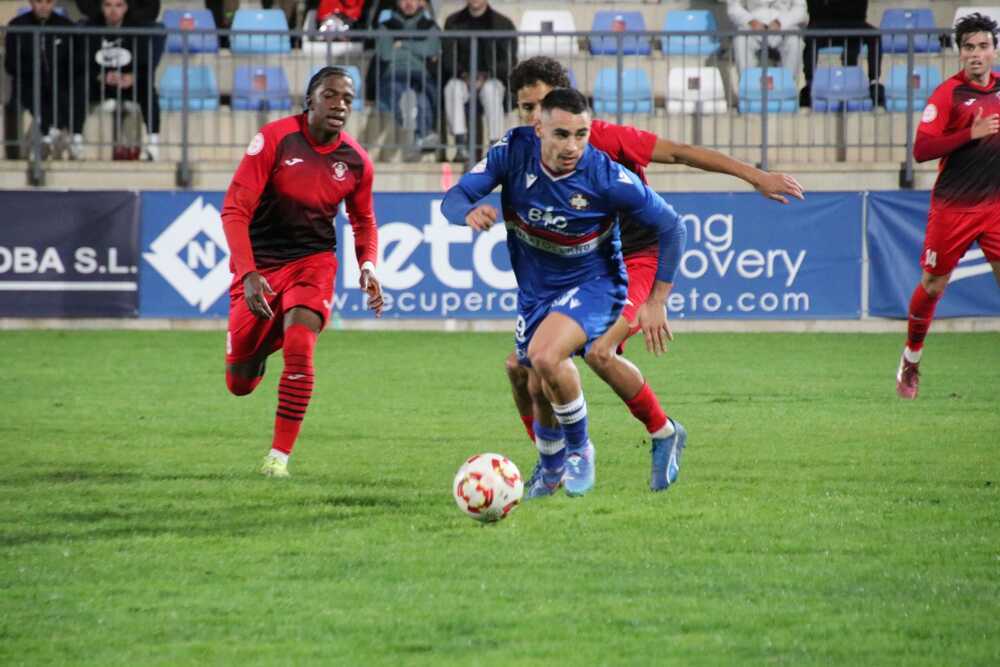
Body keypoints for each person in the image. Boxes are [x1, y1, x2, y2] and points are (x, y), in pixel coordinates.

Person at [505, 56, 804, 490]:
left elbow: (681, 153)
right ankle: (551, 463)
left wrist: (754, 176)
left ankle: (664, 432)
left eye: (540, 106)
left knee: (599, 353)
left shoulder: (607, 139)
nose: (533, 117)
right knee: (521, 368)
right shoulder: (522, 151)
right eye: (524, 108)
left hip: (633, 257)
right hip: (577, 269)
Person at [442, 88, 689, 498]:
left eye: (581, 134)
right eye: (561, 134)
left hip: (596, 283)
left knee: (547, 356)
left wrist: (657, 300)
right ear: (537, 127)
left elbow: (672, 226)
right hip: (537, 290)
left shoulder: (605, 175)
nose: (572, 146)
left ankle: (581, 451)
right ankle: (552, 464)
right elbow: (455, 197)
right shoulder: (511, 151)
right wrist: (467, 211)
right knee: (533, 378)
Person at [220, 66, 385, 477]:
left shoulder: (356, 161)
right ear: (309, 100)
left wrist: (368, 265)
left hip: (314, 263)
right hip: (261, 265)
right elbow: (235, 210)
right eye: (331, 95)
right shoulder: (275, 140)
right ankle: (258, 350)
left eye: (347, 98)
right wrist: (247, 273)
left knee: (300, 342)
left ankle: (278, 458)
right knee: (239, 383)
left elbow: (363, 220)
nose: (340, 105)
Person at [895, 13, 1000, 399]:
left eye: (983, 46)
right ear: (960, 53)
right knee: (933, 283)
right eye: (969, 48)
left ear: (994, 50)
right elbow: (922, 150)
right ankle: (911, 358)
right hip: (953, 207)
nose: (976, 54)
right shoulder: (948, 94)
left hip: (995, 207)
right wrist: (969, 133)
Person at [4, 0, 86, 160]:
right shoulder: (17, 25)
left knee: (74, 90)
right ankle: (49, 135)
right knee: (37, 93)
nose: (43, 6)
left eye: (48, 2)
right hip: (28, 82)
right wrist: (34, 72)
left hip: (60, 83)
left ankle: (59, 137)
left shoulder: (65, 26)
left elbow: (76, 61)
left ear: (54, 2)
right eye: (38, 2)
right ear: (30, 2)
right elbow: (11, 64)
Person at [82, 0, 163, 160]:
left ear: (126, 7)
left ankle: (153, 144)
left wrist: (132, 77)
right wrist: (101, 76)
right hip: (100, 84)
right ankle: (75, 140)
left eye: (118, 5)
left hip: (128, 83)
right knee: (76, 86)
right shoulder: (90, 28)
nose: (113, 11)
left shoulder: (137, 29)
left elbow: (144, 64)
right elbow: (82, 63)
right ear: (101, 7)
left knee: (148, 89)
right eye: (108, 5)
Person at [441, 0, 515, 162]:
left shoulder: (503, 23)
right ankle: (461, 146)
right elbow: (448, 58)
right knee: (451, 88)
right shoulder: (453, 22)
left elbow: (509, 61)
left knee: (491, 90)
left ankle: (495, 145)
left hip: (491, 79)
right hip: (462, 78)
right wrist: (463, 75)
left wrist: (487, 75)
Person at [374, 0, 440, 161]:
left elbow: (430, 49)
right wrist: (417, 48)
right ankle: (420, 134)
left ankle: (419, 135)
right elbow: (386, 53)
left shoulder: (430, 25)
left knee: (423, 98)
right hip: (394, 73)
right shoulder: (386, 25)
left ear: (421, 3)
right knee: (397, 90)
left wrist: (402, 43)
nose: (408, 3)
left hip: (420, 74)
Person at [800, 0, 884, 107]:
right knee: (810, 37)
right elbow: (814, 10)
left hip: (853, 24)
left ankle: (874, 82)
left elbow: (860, 11)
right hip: (822, 24)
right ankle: (809, 83)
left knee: (875, 36)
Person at [726, 0, 808, 77]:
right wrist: (751, 21)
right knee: (741, 40)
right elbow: (733, 7)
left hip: (785, 23)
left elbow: (801, 9)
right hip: (754, 23)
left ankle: (788, 85)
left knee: (795, 41)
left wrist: (780, 22)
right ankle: (748, 85)